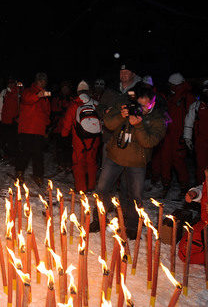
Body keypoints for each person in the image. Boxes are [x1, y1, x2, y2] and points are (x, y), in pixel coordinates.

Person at [90, 82, 166, 238]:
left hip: (137, 162)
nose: (142, 109)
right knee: (102, 190)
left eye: (146, 105)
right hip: (115, 157)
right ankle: (98, 219)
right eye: (140, 104)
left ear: (153, 102)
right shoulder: (128, 105)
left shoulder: (158, 118)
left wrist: (138, 125)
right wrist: (121, 115)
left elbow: (149, 142)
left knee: (134, 195)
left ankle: (131, 226)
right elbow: (109, 125)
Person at [96, 60, 141, 166]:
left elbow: (147, 110)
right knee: (107, 171)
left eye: (126, 72)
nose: (123, 75)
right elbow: (99, 107)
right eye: (121, 72)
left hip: (127, 138)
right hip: (109, 136)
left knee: (126, 171)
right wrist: (105, 111)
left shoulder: (139, 90)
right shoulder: (111, 90)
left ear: (133, 74)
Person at [61, 81, 101, 192]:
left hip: (79, 140)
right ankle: (91, 186)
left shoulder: (74, 105)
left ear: (78, 92)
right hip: (94, 139)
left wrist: (64, 135)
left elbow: (67, 123)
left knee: (78, 163)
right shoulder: (96, 103)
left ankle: (81, 188)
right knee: (92, 162)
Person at [159, 73, 194, 199]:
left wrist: (187, 135)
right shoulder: (171, 96)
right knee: (165, 160)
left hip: (179, 135)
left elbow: (192, 118)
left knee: (179, 162)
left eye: (172, 85)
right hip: (168, 134)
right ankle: (165, 186)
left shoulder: (187, 97)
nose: (170, 87)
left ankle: (185, 189)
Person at [14, 72, 51, 186]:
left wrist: (47, 123)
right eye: (41, 81)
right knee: (25, 152)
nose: (43, 83)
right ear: (37, 81)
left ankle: (38, 175)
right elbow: (27, 100)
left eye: (44, 81)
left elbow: (46, 111)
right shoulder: (28, 91)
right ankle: (19, 172)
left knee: (38, 154)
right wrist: (38, 96)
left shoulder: (45, 96)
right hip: (27, 128)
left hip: (39, 129)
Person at [178, 172, 208, 264]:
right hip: (205, 224)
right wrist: (196, 193)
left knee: (188, 253)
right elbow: (206, 191)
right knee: (185, 248)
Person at [183, 79, 208, 185]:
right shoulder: (196, 106)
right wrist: (187, 138)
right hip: (202, 144)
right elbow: (188, 124)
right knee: (202, 170)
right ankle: (201, 193)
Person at [50, 80, 73, 172]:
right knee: (59, 147)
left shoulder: (72, 99)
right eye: (63, 88)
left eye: (66, 88)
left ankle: (68, 164)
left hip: (68, 128)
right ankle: (60, 164)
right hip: (58, 127)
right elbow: (53, 110)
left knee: (68, 147)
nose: (64, 90)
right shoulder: (57, 98)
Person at [0, 76, 20, 161]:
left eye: (12, 83)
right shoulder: (4, 92)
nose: (11, 84)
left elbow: (22, 105)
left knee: (14, 140)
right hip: (5, 120)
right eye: (9, 83)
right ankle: (8, 155)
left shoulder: (18, 92)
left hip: (15, 121)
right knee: (6, 139)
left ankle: (15, 156)